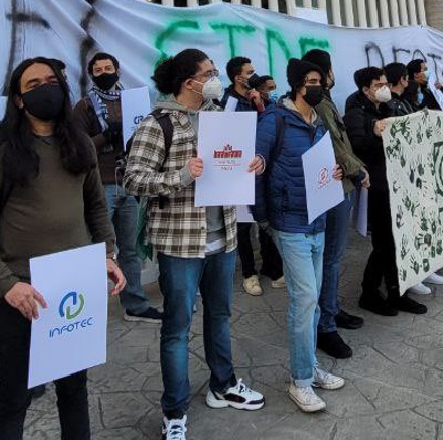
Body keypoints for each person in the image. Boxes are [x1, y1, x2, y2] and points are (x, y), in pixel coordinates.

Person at [0, 57, 124, 440]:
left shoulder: (79, 143)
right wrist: (6, 284)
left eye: (52, 81)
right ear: (17, 100)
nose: (46, 88)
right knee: (15, 396)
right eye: (33, 85)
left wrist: (106, 254)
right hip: (23, 296)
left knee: (73, 392)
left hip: (74, 289)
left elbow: (95, 206)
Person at [124, 49, 266, 440]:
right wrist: (182, 175)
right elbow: (134, 179)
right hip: (181, 245)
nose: (216, 77)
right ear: (189, 82)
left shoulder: (220, 115)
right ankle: (175, 411)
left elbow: (235, 159)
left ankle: (223, 384)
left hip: (224, 237)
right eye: (209, 72)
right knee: (177, 328)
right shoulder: (159, 124)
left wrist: (254, 163)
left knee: (219, 316)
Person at [253, 59, 347, 413]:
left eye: (319, 81)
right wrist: (264, 217)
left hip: (317, 220)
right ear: (296, 85)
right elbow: (257, 162)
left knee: (311, 301)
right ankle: (300, 381)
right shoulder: (275, 120)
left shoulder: (319, 122)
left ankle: (309, 367)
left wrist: (334, 171)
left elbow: (322, 166)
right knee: (304, 300)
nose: (316, 86)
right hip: (290, 223)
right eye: (310, 81)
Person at [72, 52, 164, 321]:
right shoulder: (84, 106)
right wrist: (105, 135)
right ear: (91, 74)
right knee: (98, 251)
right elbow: (77, 147)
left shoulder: (133, 101)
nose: (104, 73)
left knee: (131, 249)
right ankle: (87, 310)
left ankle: (135, 304)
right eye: (98, 70)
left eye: (108, 68)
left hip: (129, 183)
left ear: (118, 70)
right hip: (101, 185)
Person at [343, 66, 427, 317]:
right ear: (365, 89)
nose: (384, 88)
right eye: (379, 84)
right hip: (377, 188)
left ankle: (396, 292)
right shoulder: (356, 115)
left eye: (385, 84)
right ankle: (369, 293)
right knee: (384, 243)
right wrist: (374, 133)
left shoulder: (389, 109)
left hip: (398, 183)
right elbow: (356, 146)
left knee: (397, 240)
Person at [301, 49, 367, 357]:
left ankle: (331, 308)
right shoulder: (321, 104)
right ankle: (325, 325)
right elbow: (336, 144)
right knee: (331, 257)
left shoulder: (323, 101)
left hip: (339, 184)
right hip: (335, 188)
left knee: (332, 257)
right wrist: (358, 170)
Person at [219, 57, 284, 297]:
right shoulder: (228, 102)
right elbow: (225, 135)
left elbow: (271, 124)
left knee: (266, 219)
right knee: (244, 226)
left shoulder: (260, 98)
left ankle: (272, 268)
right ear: (238, 77)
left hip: (262, 168)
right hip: (238, 171)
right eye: (250, 72)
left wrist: (260, 105)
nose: (254, 75)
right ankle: (249, 273)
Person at [385, 63, 443, 291]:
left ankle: (427, 266)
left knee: (425, 220)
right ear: (403, 79)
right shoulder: (390, 105)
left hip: (418, 170)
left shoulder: (406, 101)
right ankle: (413, 274)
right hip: (404, 174)